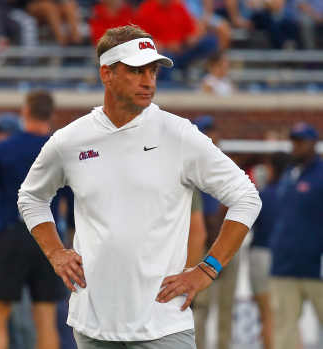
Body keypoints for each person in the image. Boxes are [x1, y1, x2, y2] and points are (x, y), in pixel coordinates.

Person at [18, 25, 262, 348]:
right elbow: (31, 197)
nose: (148, 81)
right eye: (136, 71)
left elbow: (246, 197)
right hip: (92, 325)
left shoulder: (179, 135)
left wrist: (208, 268)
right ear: (107, 74)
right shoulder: (70, 140)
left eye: (153, 71)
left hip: (164, 326)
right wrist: (55, 252)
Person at [0, 90, 65, 349]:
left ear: (25, 111)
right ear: (51, 113)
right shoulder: (57, 149)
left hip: (11, 233)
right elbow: (74, 194)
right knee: (45, 318)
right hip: (49, 237)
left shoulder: (5, 148)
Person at [268, 122, 323, 349]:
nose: (296, 146)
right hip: (284, 265)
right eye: (294, 141)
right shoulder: (289, 174)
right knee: (284, 328)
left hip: (316, 267)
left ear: (313, 143)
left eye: (301, 141)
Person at [190, 115, 241, 349]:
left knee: (226, 305)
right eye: (205, 132)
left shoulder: (227, 165)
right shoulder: (187, 167)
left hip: (228, 240)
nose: (211, 136)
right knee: (199, 305)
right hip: (201, 245)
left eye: (213, 131)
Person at [250, 151, 290, 349]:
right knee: (284, 315)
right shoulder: (292, 194)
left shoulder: (264, 195)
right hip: (285, 257)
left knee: (267, 314)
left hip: (262, 254)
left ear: (272, 168)